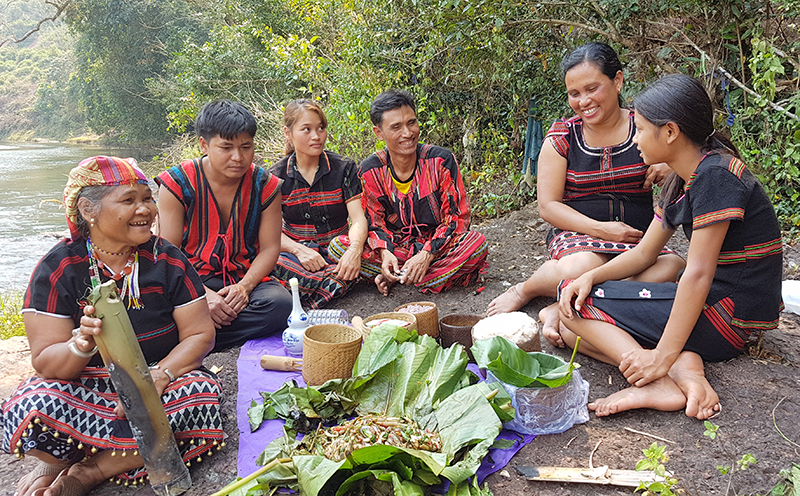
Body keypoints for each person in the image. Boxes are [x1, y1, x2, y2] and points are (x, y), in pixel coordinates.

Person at [558, 74, 783, 420]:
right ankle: (682, 366)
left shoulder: (715, 176)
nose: (634, 138)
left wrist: (660, 354)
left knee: (574, 310)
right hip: (719, 310)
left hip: (727, 318)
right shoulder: (684, 174)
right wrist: (591, 276)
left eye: (642, 129)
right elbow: (645, 253)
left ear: (670, 132)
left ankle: (658, 376)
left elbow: (698, 273)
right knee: (569, 317)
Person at [4, 156, 224, 496]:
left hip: (160, 384)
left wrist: (161, 375)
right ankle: (62, 457)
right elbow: (47, 362)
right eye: (129, 200)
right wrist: (82, 342)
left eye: (147, 198)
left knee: (200, 398)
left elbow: (200, 335)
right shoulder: (58, 267)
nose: (146, 209)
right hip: (88, 389)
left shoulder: (168, 260)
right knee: (30, 405)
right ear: (89, 210)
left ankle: (90, 470)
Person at [486, 43, 685, 332]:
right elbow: (548, 206)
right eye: (574, 94)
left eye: (592, 89)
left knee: (672, 267)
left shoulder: (645, 128)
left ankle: (566, 303)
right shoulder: (562, 137)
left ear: (617, 81)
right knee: (578, 267)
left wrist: (672, 164)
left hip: (638, 240)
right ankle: (526, 290)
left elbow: (695, 156)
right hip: (577, 235)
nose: (584, 101)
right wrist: (601, 229)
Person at [156, 100, 292, 351]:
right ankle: (198, 331)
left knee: (281, 304)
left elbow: (270, 248)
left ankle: (195, 336)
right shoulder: (177, 183)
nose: (238, 157)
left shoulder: (267, 185)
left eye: (246, 147)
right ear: (204, 145)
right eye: (226, 147)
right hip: (189, 277)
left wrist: (244, 287)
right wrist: (203, 295)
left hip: (242, 277)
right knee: (156, 307)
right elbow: (168, 253)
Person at [344, 89, 488, 296]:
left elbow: (457, 220)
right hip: (397, 250)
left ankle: (399, 277)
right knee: (340, 247)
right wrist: (385, 253)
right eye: (396, 127)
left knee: (476, 243)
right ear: (379, 133)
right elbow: (374, 222)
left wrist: (426, 255)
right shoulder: (370, 170)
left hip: (436, 248)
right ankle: (418, 274)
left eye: (411, 123)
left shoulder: (440, 161)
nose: (408, 133)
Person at [269, 99, 368, 308]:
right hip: (295, 255)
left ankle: (301, 296)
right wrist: (299, 250)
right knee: (271, 263)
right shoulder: (274, 177)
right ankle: (335, 284)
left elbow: (358, 218)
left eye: (321, 128)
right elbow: (270, 233)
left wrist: (354, 250)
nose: (316, 136)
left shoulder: (343, 168)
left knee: (358, 257)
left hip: (336, 251)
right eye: (306, 129)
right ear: (288, 133)